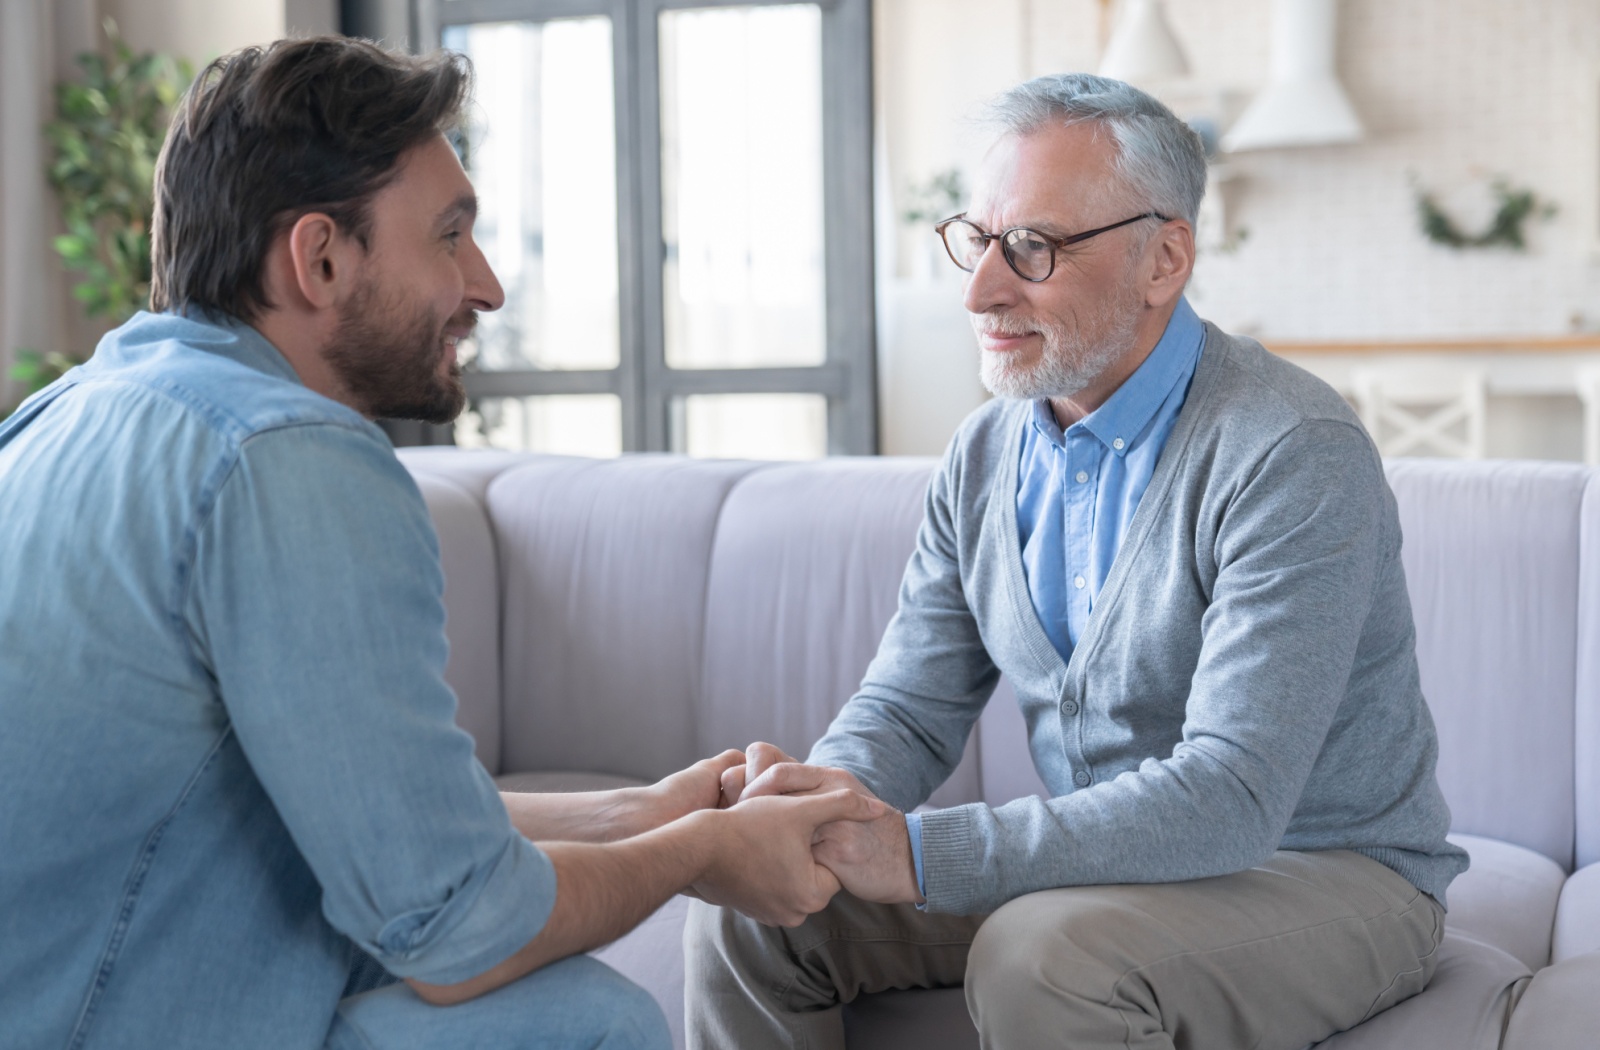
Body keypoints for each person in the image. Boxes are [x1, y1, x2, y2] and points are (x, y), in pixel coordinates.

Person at [0, 37, 883, 1050]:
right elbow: (458, 934)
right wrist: (700, 857)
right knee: (585, 1024)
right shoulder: (290, 458)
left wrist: (646, 812)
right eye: (450, 235)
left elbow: (393, 825)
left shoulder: (70, 412)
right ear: (321, 258)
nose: (488, 285)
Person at [686, 73, 1470, 1050]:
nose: (979, 290)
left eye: (1032, 247)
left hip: (1325, 872)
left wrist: (921, 853)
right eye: (976, 240)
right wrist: (813, 814)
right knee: (749, 912)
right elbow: (908, 707)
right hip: (1116, 870)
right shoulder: (982, 454)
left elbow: (1230, 797)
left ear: (1163, 258)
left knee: (1043, 955)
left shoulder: (1290, 450)